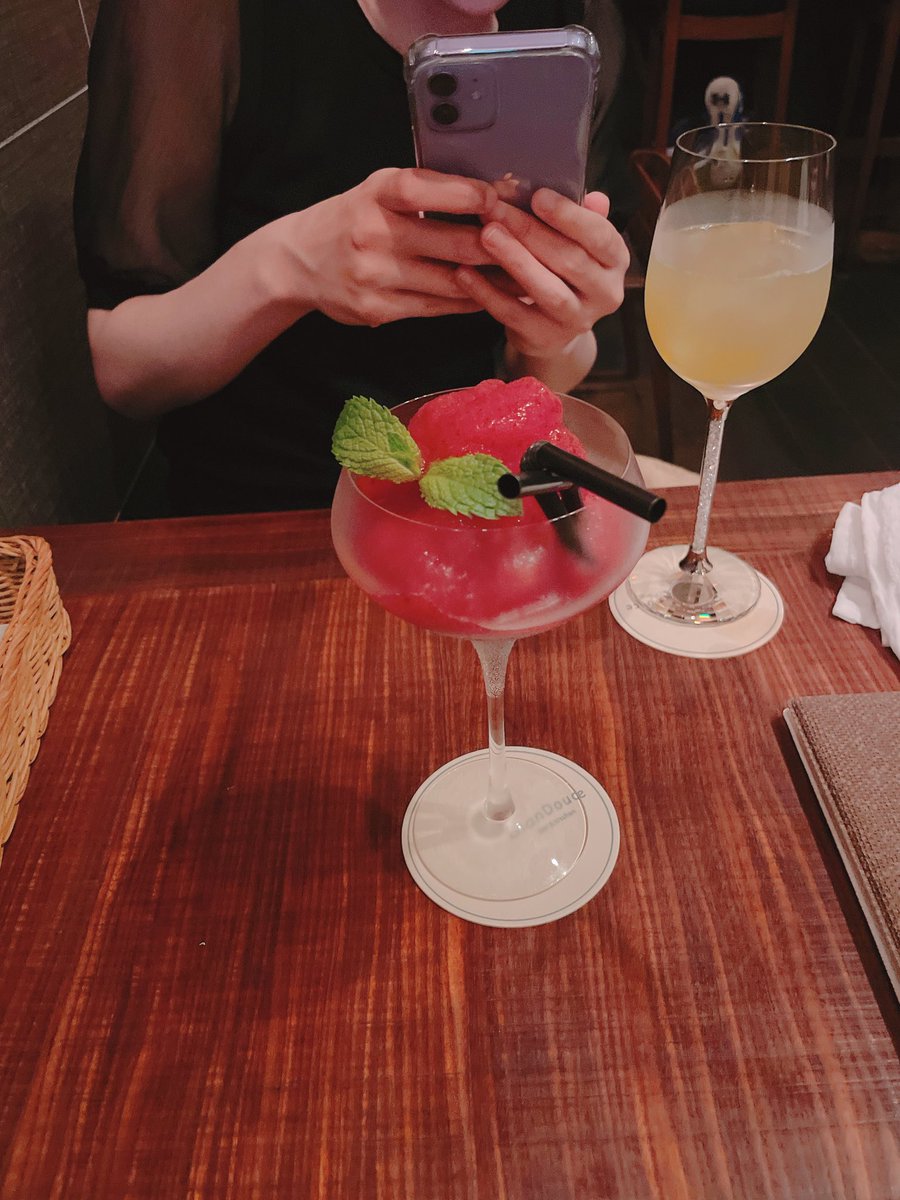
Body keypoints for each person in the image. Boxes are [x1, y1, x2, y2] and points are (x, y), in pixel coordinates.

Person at [74, 0, 631, 515]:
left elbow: (549, 373)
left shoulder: (577, 24)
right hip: (256, 519)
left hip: (468, 500)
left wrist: (555, 334)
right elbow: (125, 374)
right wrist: (291, 264)